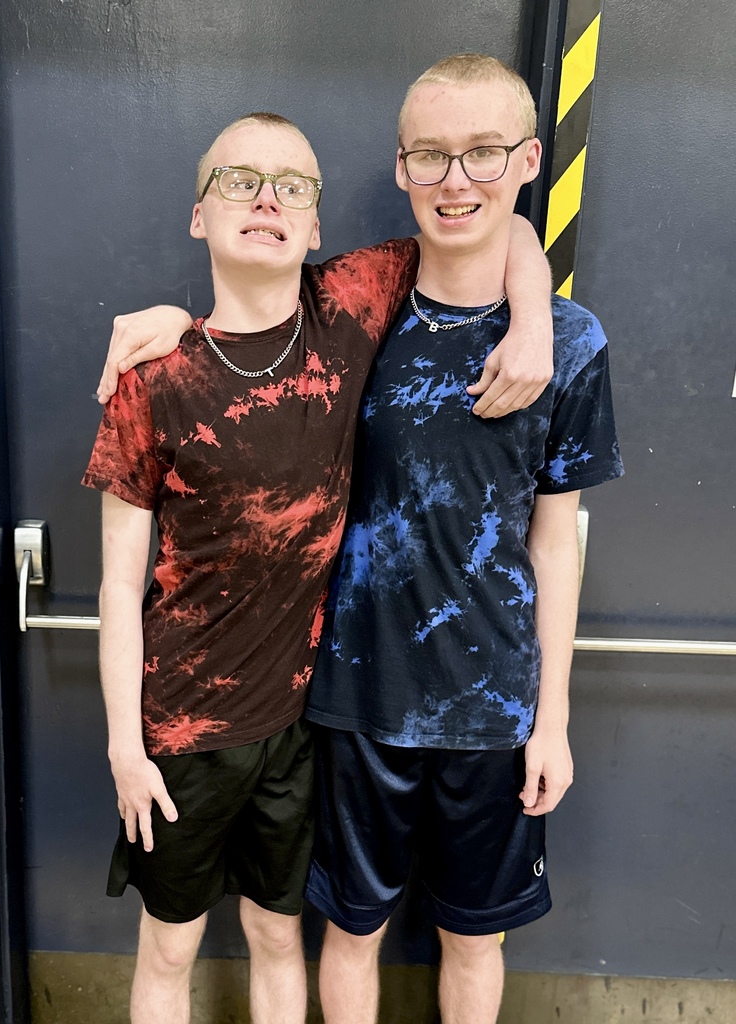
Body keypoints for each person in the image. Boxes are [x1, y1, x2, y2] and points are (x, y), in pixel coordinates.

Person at [85, 107, 553, 1024]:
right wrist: (123, 749)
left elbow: (501, 219)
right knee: (171, 945)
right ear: (198, 214)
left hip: (303, 730)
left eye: (292, 186)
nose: (266, 200)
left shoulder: (349, 305)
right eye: (239, 181)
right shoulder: (152, 377)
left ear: (315, 225)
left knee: (275, 937)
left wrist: (533, 318)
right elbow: (114, 587)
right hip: (176, 731)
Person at [302, 54, 624, 1024]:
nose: (456, 181)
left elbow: (556, 540)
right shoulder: (349, 318)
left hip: (494, 708)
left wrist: (552, 719)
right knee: (348, 929)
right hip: (358, 697)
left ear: (527, 158)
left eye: (483, 155)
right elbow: (238, 320)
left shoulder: (570, 343)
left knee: (474, 938)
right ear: (400, 168)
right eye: (433, 157)